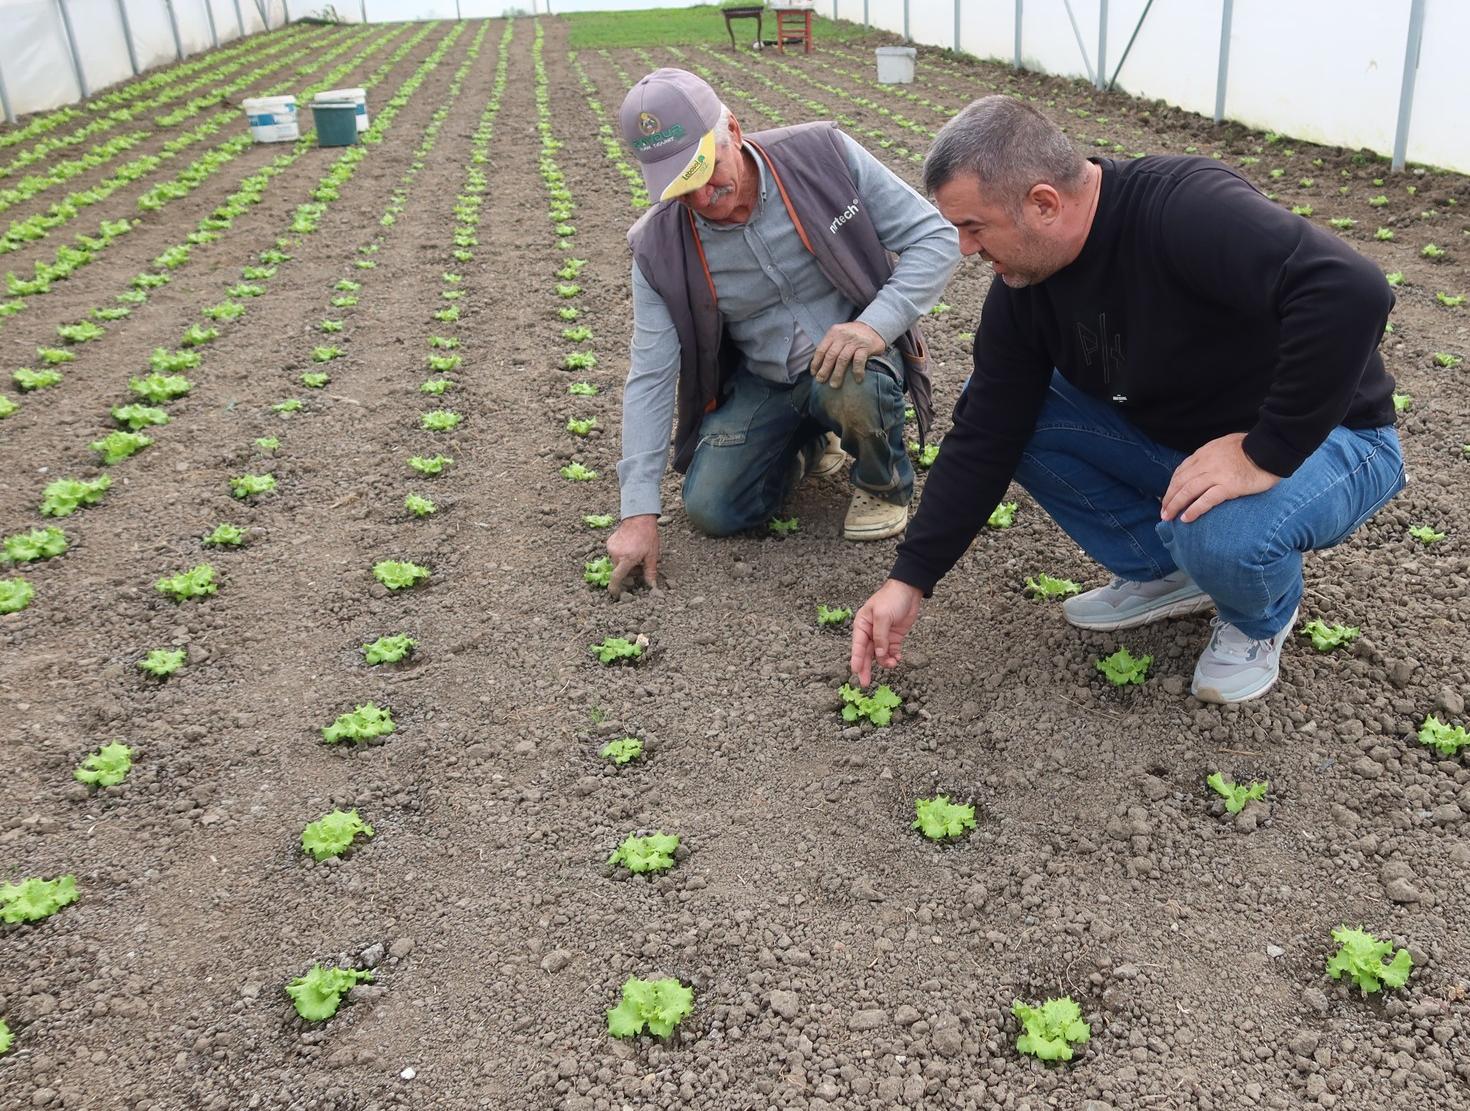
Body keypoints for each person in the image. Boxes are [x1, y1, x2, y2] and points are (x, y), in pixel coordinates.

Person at [851, 95, 1405, 705]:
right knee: (1020, 416)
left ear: (1043, 203)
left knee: (1222, 535)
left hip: (1335, 435)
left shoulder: (1183, 208)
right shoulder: (1026, 287)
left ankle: (1257, 617)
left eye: (973, 226)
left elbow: (1351, 290)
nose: (963, 248)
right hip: (1189, 440)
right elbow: (985, 431)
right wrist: (910, 580)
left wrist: (1263, 452)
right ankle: (1176, 575)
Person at [605, 68, 960, 593]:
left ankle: (883, 482)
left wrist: (873, 325)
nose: (703, 198)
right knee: (713, 508)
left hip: (854, 359)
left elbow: (935, 236)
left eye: (707, 170)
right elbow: (651, 376)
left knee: (852, 387)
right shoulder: (657, 247)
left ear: (733, 129)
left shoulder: (822, 156)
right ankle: (810, 443)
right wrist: (637, 511)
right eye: (682, 187)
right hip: (764, 380)